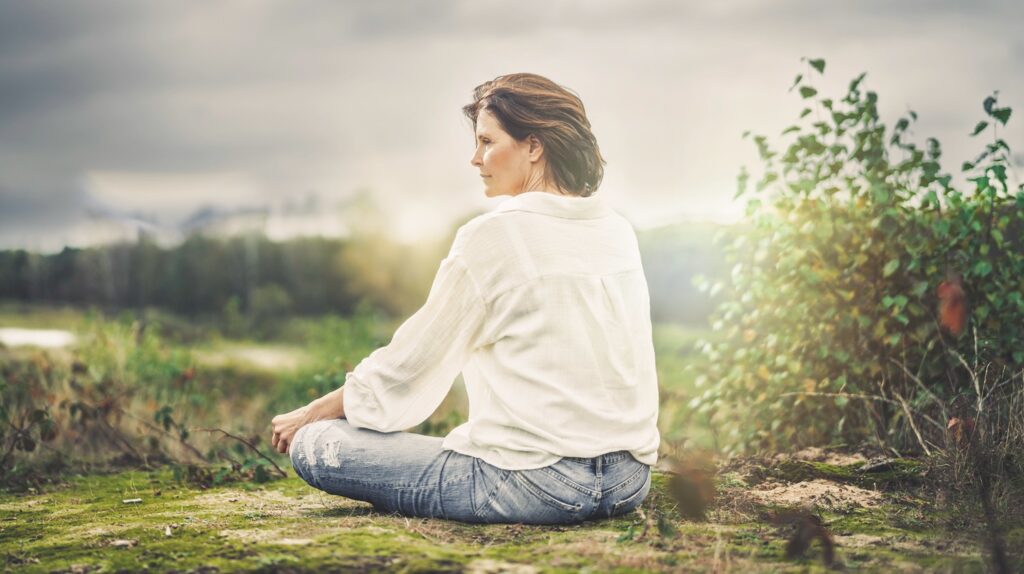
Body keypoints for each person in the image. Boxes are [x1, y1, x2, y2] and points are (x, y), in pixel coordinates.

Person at [272, 73, 660, 525]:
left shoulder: (493, 235)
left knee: (316, 444)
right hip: (628, 480)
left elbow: (411, 366)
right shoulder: (616, 229)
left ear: (533, 146)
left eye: (487, 141)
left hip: (533, 486)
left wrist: (316, 411)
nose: (475, 159)